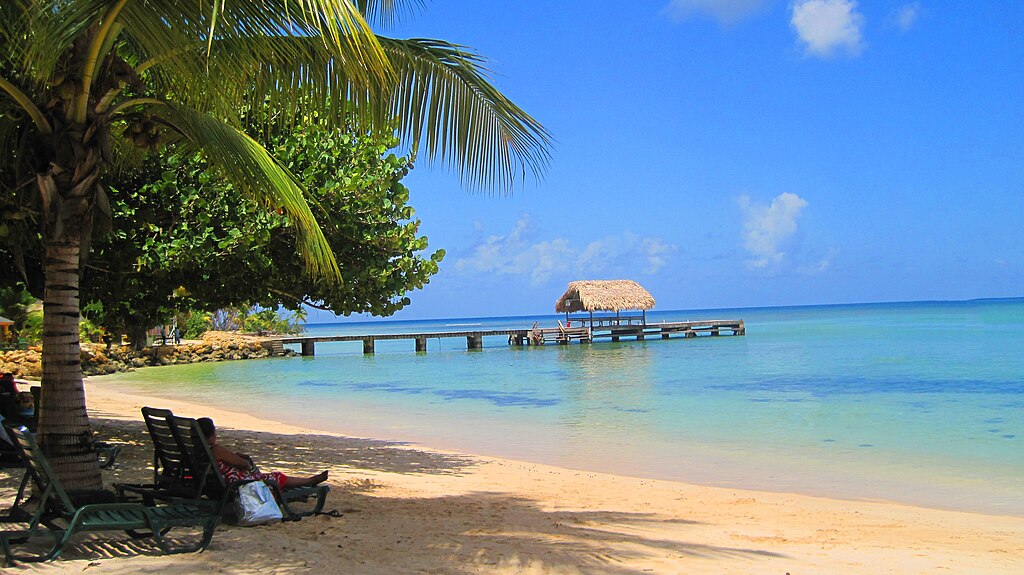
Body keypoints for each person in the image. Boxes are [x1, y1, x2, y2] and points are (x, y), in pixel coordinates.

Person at [196, 417, 328, 489]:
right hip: (233, 485)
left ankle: (308, 481)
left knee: (265, 475)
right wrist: (243, 462)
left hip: (210, 484)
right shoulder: (215, 449)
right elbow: (244, 464)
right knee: (275, 477)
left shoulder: (196, 450)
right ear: (212, 434)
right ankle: (309, 481)